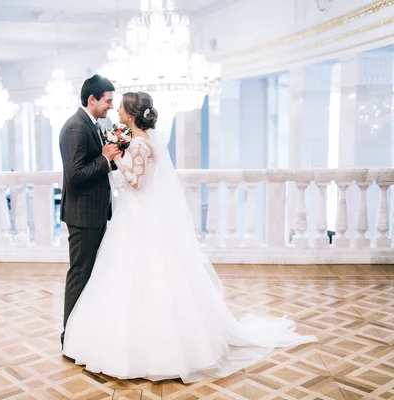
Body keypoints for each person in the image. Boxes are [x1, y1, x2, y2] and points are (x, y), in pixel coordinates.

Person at [62, 91, 318, 383]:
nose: (117, 109)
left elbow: (136, 183)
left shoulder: (142, 144)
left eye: (121, 106)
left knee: (145, 274)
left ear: (131, 115)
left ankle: (154, 350)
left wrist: (117, 161)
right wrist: (119, 160)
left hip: (139, 215)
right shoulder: (137, 140)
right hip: (132, 215)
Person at [58, 74, 121, 348]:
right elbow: (75, 174)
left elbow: (98, 162)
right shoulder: (75, 127)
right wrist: (105, 159)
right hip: (82, 216)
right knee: (80, 274)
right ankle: (69, 337)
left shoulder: (93, 124)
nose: (110, 106)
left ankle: (84, 332)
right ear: (92, 99)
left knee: (91, 274)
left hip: (95, 213)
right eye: (107, 101)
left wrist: (114, 158)